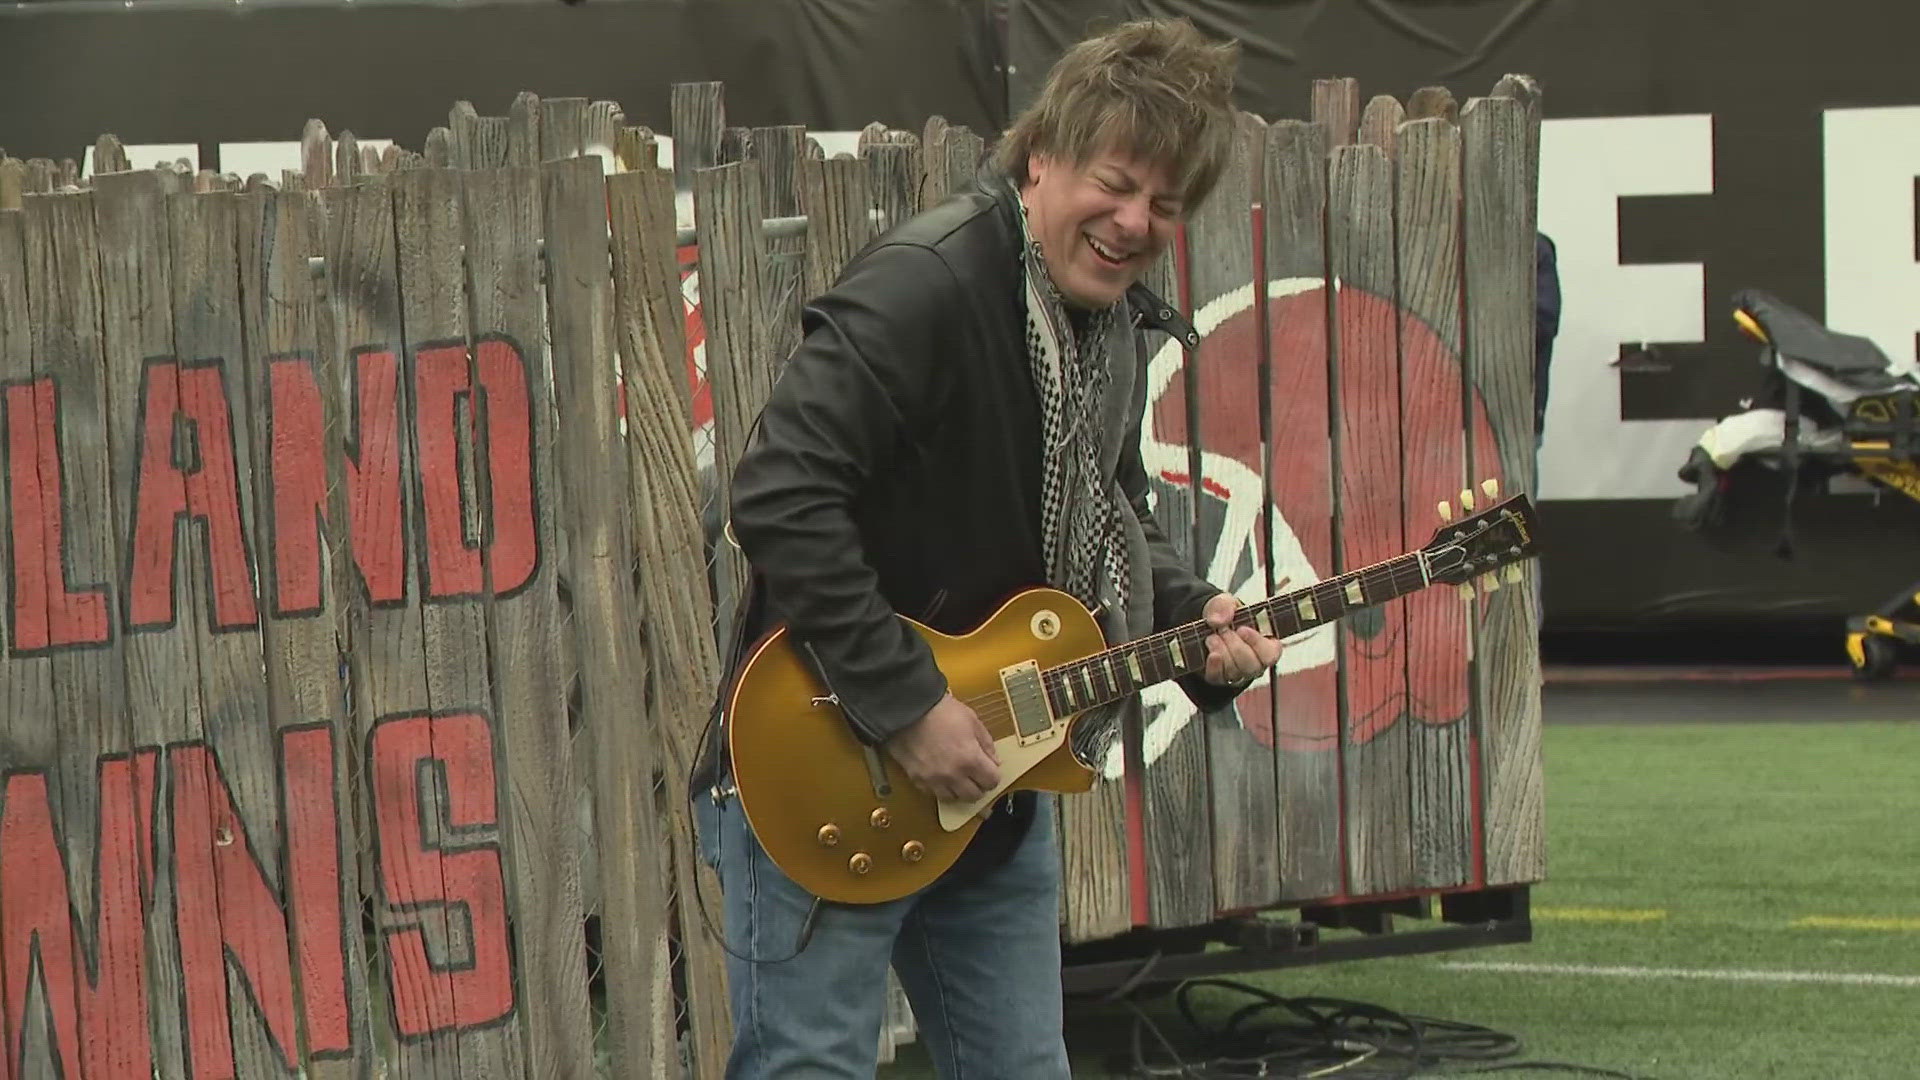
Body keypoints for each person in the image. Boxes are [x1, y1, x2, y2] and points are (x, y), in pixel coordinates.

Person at [694, 18, 1283, 1078]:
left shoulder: (1100, 329)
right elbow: (780, 492)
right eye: (1115, 182)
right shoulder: (927, 283)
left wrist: (1195, 613)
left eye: (1165, 204)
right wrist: (909, 706)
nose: (1135, 220)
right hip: (832, 756)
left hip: (997, 779)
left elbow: (1111, 507)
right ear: (1041, 155)